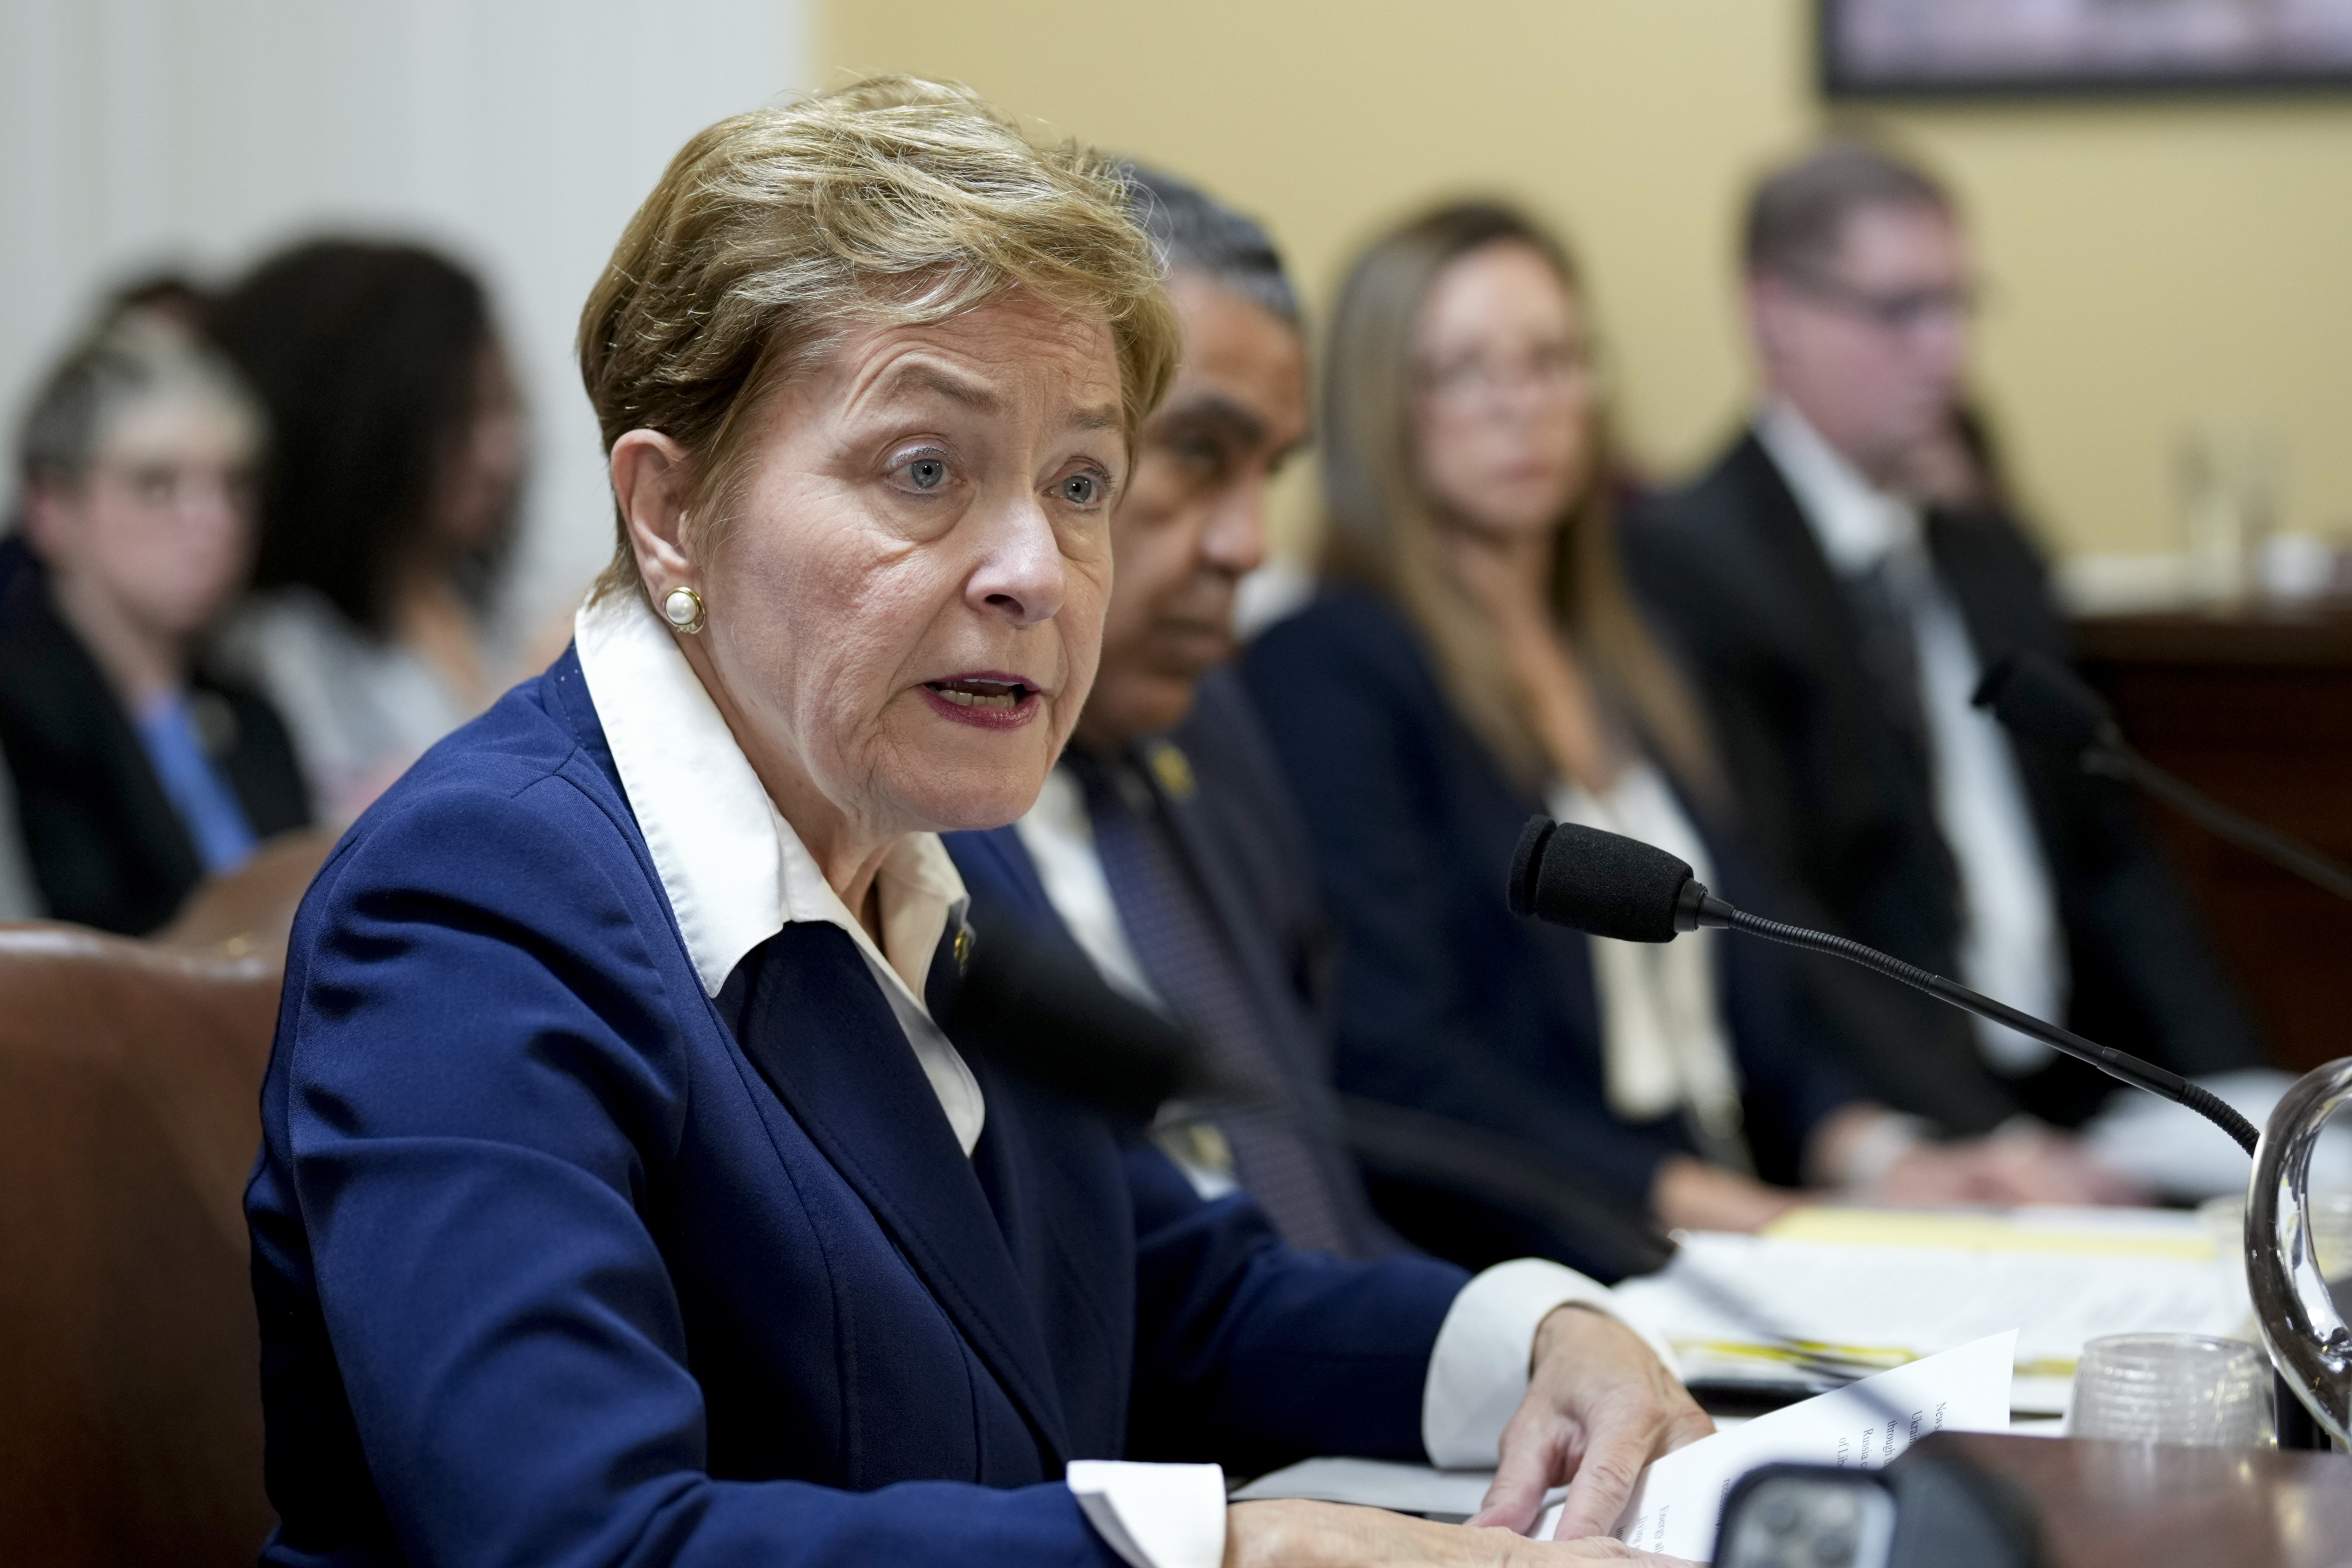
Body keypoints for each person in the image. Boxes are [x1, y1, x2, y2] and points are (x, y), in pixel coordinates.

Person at [245, 81, 1709, 1568]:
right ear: (671, 511)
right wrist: (1237, 1551)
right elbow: (589, 1539)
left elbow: (1174, 1298)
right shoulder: (475, 905)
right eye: (925, 470)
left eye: (1078, 481)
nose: (1038, 569)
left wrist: (1537, 1330)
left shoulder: (936, 849)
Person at [1242, 201, 2123, 1238]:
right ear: (1382, 403)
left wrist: (1886, 1159)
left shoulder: (1632, 647)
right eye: (1464, 370)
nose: (1520, 406)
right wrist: (1746, 1215)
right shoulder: (1329, 666)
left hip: (1736, 1219)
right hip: (1549, 1256)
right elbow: (1403, 1066)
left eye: (1552, 360)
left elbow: (1761, 992)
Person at [1623, 142, 2264, 1131]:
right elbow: (1780, 921)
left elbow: (2112, 860)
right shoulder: (1690, 563)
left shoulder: (1981, 541)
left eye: (1959, 305)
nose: (1945, 350)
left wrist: (2241, 1107)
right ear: (1771, 313)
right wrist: (1982, 1143)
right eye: (1899, 310)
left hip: (2086, 1089)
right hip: (1907, 1123)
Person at [945, 165, 1418, 1263]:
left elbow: (1319, 1196)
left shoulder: (1213, 726)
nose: (1247, 544)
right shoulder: (910, 777)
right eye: (1199, 454)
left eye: (1271, 472)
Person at [0, 312, 308, 934]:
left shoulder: (250, 705)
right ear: (51, 508)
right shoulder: (19, 711)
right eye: (156, 484)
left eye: (234, 484)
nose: (212, 521)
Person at [210, 239, 527, 827]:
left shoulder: (480, 608)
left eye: (508, 410)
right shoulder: (274, 653)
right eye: (462, 419)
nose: (501, 453)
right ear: (366, 426)